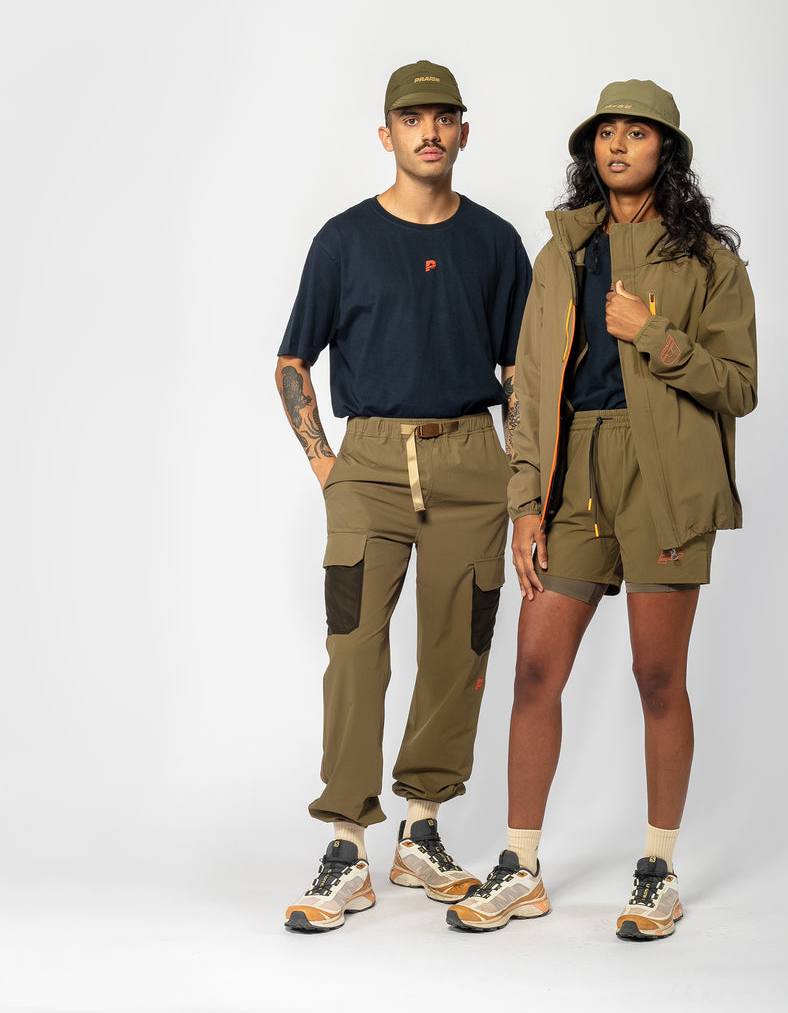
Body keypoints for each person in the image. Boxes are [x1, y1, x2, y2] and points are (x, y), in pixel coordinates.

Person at [446, 80, 756, 940]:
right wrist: (525, 503)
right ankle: (520, 866)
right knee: (533, 671)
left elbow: (739, 386)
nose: (618, 146)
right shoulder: (562, 253)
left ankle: (657, 870)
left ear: (668, 152)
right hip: (572, 472)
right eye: (606, 133)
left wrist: (652, 334)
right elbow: (528, 385)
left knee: (657, 677)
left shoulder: (709, 263)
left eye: (638, 134)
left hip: (666, 477)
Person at [275, 60, 531, 933]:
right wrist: (327, 464)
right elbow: (292, 360)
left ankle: (421, 830)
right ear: (386, 134)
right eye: (412, 118)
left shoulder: (495, 241)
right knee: (355, 649)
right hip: (371, 465)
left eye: (444, 116)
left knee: (459, 649)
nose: (430, 131)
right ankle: (346, 842)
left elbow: (517, 372)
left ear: (464, 131)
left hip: (473, 461)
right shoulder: (343, 239)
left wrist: (521, 478)